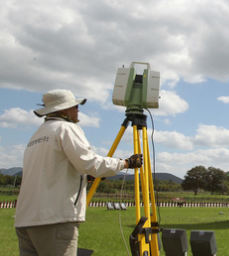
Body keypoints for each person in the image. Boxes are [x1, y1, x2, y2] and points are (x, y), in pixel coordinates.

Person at [14, 89, 143, 256]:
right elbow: (90, 163)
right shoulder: (66, 128)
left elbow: (53, 172)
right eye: (74, 106)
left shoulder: (37, 135)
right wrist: (125, 163)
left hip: (25, 220)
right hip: (55, 219)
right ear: (63, 109)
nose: (77, 110)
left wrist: (83, 178)